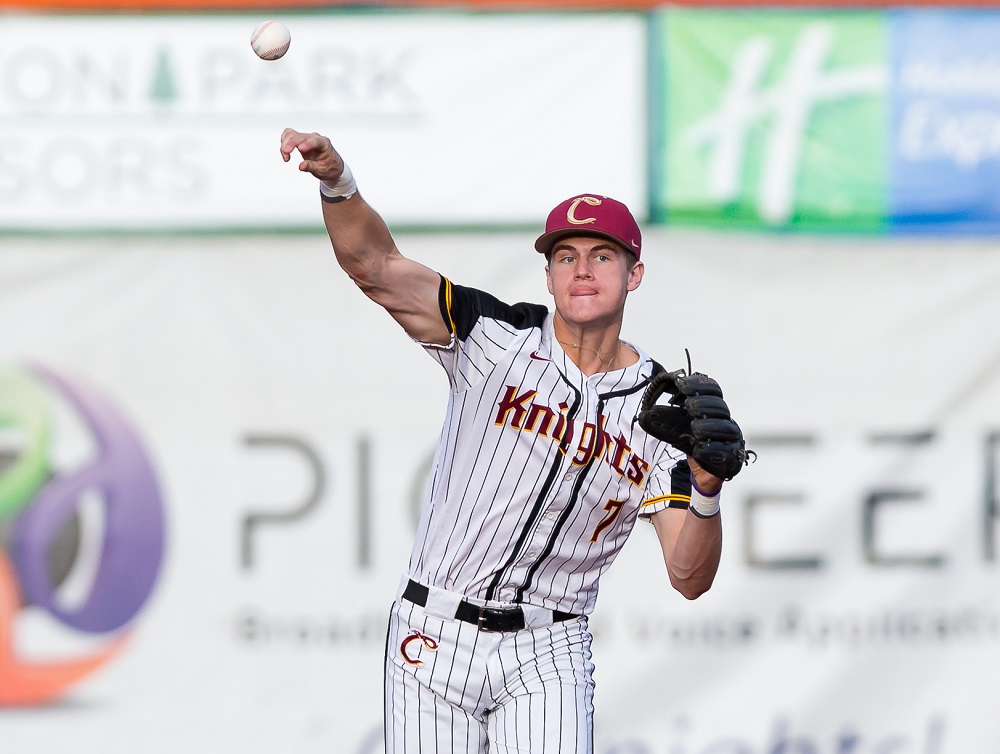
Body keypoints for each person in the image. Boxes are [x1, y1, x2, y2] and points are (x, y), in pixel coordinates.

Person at [280, 129, 729, 754]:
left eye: (602, 255)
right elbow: (374, 267)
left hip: (549, 646)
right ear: (547, 274)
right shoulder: (494, 336)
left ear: (635, 274)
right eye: (566, 254)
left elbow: (689, 576)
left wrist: (705, 489)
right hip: (434, 632)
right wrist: (338, 182)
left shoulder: (661, 409)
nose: (582, 269)